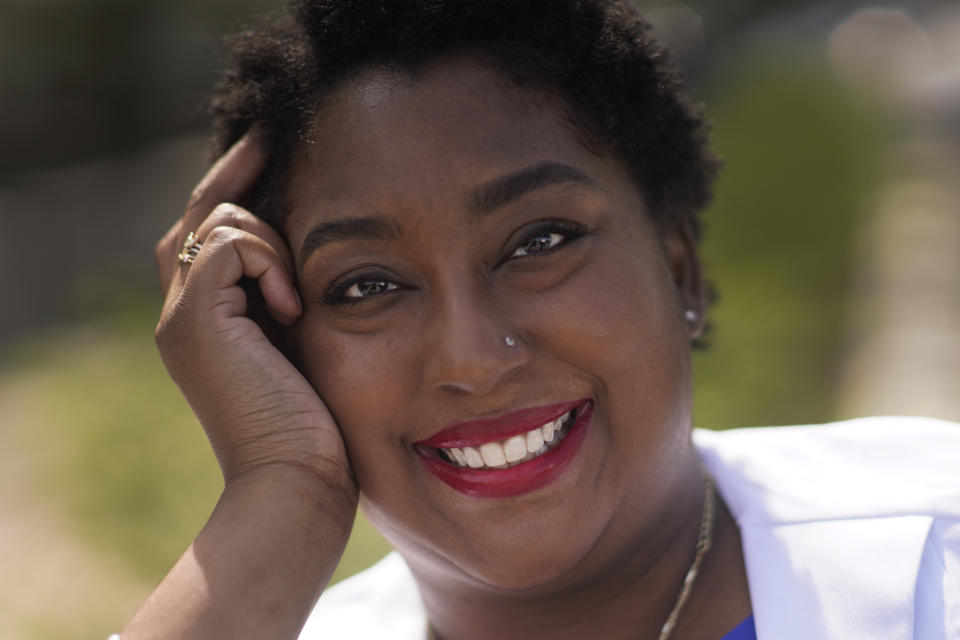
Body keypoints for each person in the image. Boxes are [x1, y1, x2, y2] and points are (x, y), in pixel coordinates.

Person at [120, 1, 960, 638]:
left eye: (540, 241)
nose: (473, 358)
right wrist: (282, 493)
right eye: (366, 287)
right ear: (280, 343)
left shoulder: (935, 554)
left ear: (678, 269)